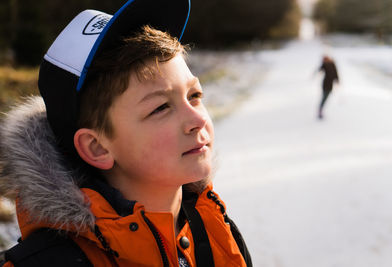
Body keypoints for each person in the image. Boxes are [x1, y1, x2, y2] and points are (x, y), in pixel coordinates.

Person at [0, 0, 252, 266]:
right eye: (161, 107)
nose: (197, 119)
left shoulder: (217, 231)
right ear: (97, 147)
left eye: (195, 95)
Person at [318, 55, 339, 119]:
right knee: (324, 97)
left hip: (330, 83)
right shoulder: (325, 65)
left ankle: (321, 110)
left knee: (326, 96)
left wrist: (337, 80)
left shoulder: (332, 64)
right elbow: (320, 69)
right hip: (325, 83)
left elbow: (335, 73)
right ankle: (320, 110)